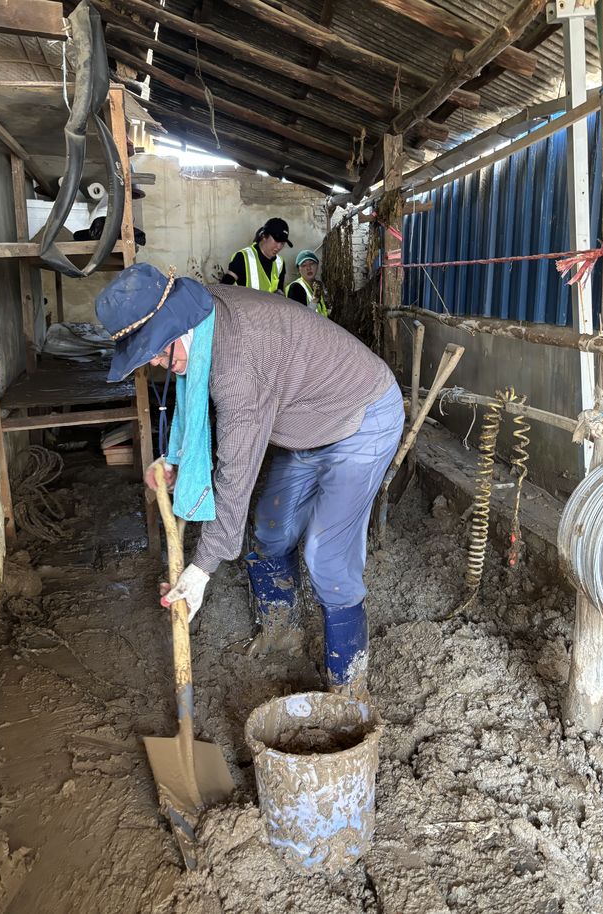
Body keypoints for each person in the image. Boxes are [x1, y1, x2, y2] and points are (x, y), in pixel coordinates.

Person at [96, 263, 404, 699]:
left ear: (179, 329)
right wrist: (181, 464)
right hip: (306, 420)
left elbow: (236, 473)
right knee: (270, 529)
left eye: (159, 354)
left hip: (362, 415)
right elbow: (219, 424)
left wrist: (201, 569)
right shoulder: (204, 319)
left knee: (326, 554)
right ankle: (283, 632)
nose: (158, 364)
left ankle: (348, 686)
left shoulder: (238, 362)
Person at [221, 217, 292, 293]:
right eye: (277, 240)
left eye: (282, 243)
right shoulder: (243, 257)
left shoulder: (280, 262)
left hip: (271, 305)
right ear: (264, 236)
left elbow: (279, 290)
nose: (279, 247)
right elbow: (223, 288)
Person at [286, 249, 329, 317]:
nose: (308, 268)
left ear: (317, 265)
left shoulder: (318, 286)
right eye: (303, 265)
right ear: (299, 270)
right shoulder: (295, 288)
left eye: (311, 263)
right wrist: (315, 300)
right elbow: (300, 318)